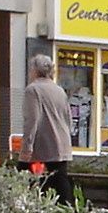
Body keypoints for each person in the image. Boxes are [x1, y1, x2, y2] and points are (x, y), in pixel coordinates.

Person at [24, 53, 74, 204]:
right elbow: (68, 118)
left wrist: (27, 147)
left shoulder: (33, 90)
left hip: (43, 143)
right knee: (60, 180)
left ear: (34, 70)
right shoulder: (59, 90)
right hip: (62, 142)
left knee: (26, 179)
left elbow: (31, 119)